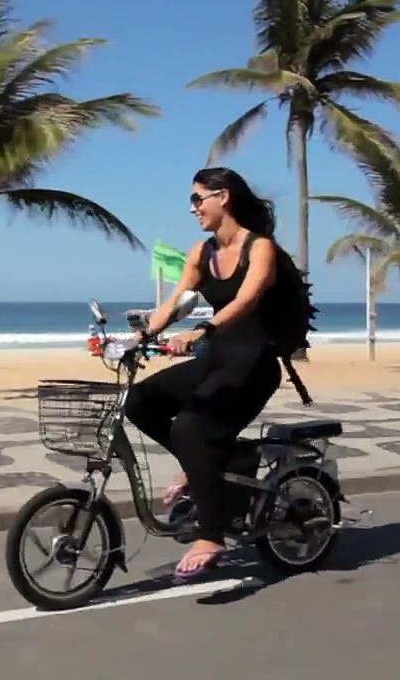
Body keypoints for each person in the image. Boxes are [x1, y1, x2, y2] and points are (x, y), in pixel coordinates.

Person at [122, 167, 284, 581]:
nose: (192, 208)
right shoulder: (201, 252)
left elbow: (246, 301)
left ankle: (212, 535)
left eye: (198, 199)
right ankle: (209, 469)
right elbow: (175, 302)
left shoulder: (259, 248)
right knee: (139, 401)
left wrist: (203, 329)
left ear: (223, 197)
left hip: (254, 363)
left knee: (190, 429)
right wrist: (140, 336)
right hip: (216, 358)